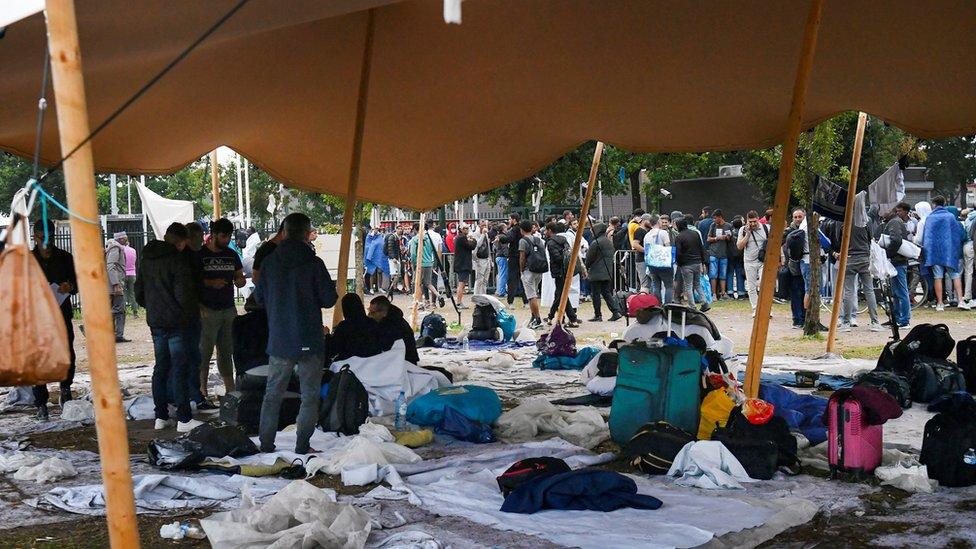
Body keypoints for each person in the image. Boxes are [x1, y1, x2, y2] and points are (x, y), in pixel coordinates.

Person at [254, 213, 337, 454]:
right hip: (310, 338)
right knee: (309, 395)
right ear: (305, 233)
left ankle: (266, 444)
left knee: (272, 394)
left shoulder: (269, 262)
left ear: (285, 232)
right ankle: (302, 445)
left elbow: (259, 297)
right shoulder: (314, 263)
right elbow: (329, 299)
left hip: (280, 338)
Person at [136, 223, 203, 433]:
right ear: (182, 242)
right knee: (179, 368)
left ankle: (161, 416)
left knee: (161, 367)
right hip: (176, 323)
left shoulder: (146, 259)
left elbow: (139, 292)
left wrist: (155, 308)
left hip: (156, 322)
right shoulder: (177, 260)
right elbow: (184, 295)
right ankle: (184, 418)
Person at [31, 219, 77, 421]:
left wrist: (70, 286)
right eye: (43, 238)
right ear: (35, 236)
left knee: (66, 352)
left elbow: (77, 282)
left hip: (61, 313)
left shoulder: (66, 258)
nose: (47, 244)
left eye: (50, 238)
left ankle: (65, 388)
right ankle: (41, 402)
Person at [197, 218, 245, 398]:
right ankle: (201, 390)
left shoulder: (232, 255)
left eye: (229, 236)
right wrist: (210, 283)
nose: (226, 240)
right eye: (223, 236)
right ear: (214, 235)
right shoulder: (200, 255)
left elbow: (239, 276)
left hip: (228, 309)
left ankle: (230, 390)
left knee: (227, 350)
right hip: (207, 310)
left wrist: (240, 281)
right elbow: (193, 281)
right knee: (204, 352)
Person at [179, 222, 212, 408]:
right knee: (191, 357)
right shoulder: (187, 259)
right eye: (200, 238)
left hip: (188, 313)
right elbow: (191, 286)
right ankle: (194, 395)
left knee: (191, 356)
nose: (202, 241)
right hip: (189, 313)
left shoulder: (192, 256)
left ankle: (194, 394)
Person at [922, 196, 967, 311]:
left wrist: (927, 252)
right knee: (955, 275)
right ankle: (960, 301)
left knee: (938, 276)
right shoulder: (950, 217)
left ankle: (940, 303)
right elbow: (957, 234)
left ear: (934, 204)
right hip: (949, 252)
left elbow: (927, 236)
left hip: (935, 252)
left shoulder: (930, 217)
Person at [326, 293, 384, 363]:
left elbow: (332, 350)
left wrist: (327, 336)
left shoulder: (344, 327)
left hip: (350, 367)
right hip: (372, 365)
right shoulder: (372, 323)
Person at [584, 222, 622, 321]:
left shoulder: (595, 242)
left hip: (596, 272)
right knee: (606, 293)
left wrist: (586, 268)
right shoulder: (608, 242)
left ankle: (598, 315)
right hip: (607, 271)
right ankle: (616, 311)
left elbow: (589, 258)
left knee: (595, 294)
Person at [545, 221, 580, 326]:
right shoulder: (563, 240)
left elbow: (557, 258)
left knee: (561, 295)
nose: (545, 232)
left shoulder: (551, 243)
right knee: (560, 294)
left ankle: (572, 319)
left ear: (550, 231)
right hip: (566, 270)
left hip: (558, 271)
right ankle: (552, 316)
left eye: (546, 230)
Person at [883, 203, 912, 327]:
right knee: (897, 292)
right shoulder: (896, 221)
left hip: (897, 261)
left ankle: (904, 319)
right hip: (897, 261)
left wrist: (887, 254)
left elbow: (896, 240)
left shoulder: (894, 222)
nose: (883, 212)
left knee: (900, 291)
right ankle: (897, 319)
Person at [368, 295, 420, 364]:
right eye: (369, 311)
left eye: (373, 313)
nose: (369, 315)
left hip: (404, 362)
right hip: (398, 359)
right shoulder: (387, 320)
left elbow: (383, 348)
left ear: (383, 312)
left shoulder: (394, 325)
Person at [674, 218, 709, 312]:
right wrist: (703, 262)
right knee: (697, 284)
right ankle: (704, 302)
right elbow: (701, 248)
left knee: (688, 285)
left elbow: (678, 252)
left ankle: (692, 306)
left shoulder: (679, 237)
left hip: (686, 264)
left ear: (678, 226)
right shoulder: (695, 233)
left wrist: (679, 263)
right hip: (697, 262)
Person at [736, 210, 768, 316]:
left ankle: (766, 309)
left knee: (764, 285)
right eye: (750, 222)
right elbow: (739, 246)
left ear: (758, 219)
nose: (753, 224)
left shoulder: (765, 228)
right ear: (747, 221)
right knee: (751, 287)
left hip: (763, 261)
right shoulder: (743, 230)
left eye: (754, 221)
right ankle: (755, 309)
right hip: (749, 262)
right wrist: (748, 234)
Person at [408, 223, 443, 309]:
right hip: (429, 263)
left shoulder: (415, 239)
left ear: (415, 230)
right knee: (428, 283)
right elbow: (433, 251)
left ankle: (419, 303)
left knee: (418, 284)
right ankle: (438, 295)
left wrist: (414, 264)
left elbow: (413, 254)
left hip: (420, 264)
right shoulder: (428, 239)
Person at [518, 220, 545, 328]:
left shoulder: (523, 241)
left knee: (531, 296)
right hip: (539, 269)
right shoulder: (538, 239)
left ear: (522, 229)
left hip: (528, 270)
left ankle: (538, 319)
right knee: (533, 293)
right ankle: (533, 317)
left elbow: (522, 257)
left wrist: (521, 270)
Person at [105, 231, 129, 343]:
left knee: (118, 310)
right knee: (119, 309)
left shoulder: (113, 247)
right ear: (120, 239)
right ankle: (117, 334)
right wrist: (116, 284)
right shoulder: (115, 248)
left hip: (112, 284)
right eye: (125, 238)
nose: (127, 240)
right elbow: (111, 266)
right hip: (115, 285)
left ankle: (115, 334)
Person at [644, 215, 674, 304]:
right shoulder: (663, 233)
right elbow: (667, 246)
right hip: (663, 262)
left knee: (656, 285)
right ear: (658, 222)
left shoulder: (647, 235)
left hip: (652, 263)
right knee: (669, 285)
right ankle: (668, 305)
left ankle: (658, 304)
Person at [498, 213, 526, 306]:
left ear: (514, 220)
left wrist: (501, 237)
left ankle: (511, 301)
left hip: (514, 256)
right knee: (523, 279)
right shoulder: (522, 229)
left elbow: (509, 238)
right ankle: (525, 301)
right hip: (522, 255)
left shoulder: (514, 229)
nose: (509, 221)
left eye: (510, 219)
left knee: (512, 279)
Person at [706, 209, 732, 300]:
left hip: (724, 253)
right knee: (713, 274)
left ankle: (723, 293)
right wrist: (717, 238)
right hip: (713, 253)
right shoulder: (713, 225)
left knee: (723, 274)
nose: (714, 220)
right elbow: (708, 239)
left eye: (715, 218)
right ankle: (713, 294)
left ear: (720, 217)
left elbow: (731, 240)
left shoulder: (728, 226)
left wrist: (728, 238)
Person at [453, 223, 476, 308]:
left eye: (467, 228)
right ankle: (458, 302)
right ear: (461, 229)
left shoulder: (459, 238)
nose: (467, 230)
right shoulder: (462, 238)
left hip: (461, 264)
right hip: (463, 264)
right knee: (461, 284)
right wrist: (473, 240)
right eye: (465, 228)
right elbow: (471, 246)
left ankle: (459, 301)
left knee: (462, 284)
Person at [726, 215, 746, 299]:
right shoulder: (743, 233)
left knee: (730, 273)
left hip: (730, 255)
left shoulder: (730, 233)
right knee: (739, 274)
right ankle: (741, 293)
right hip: (740, 256)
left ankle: (730, 292)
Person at [631, 214, 652, 291]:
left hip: (646, 259)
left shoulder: (647, 231)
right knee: (645, 283)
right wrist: (647, 251)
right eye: (649, 221)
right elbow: (635, 244)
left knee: (648, 282)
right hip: (641, 260)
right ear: (644, 220)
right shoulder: (639, 231)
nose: (651, 223)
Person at [472, 219, 493, 295]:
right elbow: (478, 245)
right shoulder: (475, 234)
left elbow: (488, 247)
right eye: (482, 225)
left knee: (485, 280)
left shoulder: (486, 234)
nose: (484, 227)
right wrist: (483, 234)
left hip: (487, 259)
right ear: (478, 225)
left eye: (485, 225)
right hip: (479, 260)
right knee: (479, 280)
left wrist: (490, 260)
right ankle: (476, 296)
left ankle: (483, 296)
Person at [384, 225, 404, 295]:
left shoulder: (397, 237)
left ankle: (394, 288)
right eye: (399, 229)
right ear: (396, 229)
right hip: (393, 258)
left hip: (396, 257)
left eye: (401, 229)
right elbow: (390, 248)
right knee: (394, 273)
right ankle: (391, 289)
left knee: (397, 274)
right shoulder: (392, 237)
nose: (400, 230)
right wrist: (393, 258)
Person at [122, 237, 139, 317]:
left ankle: (123, 311)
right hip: (132, 273)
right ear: (128, 242)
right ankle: (135, 312)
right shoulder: (133, 250)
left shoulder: (121, 250)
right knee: (132, 293)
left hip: (124, 274)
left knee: (123, 293)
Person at [494, 221, 509, 298]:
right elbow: (505, 248)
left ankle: (499, 290)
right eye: (506, 228)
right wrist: (507, 255)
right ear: (503, 229)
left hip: (498, 256)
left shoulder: (497, 237)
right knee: (503, 275)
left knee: (500, 274)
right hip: (502, 257)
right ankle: (502, 291)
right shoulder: (503, 237)